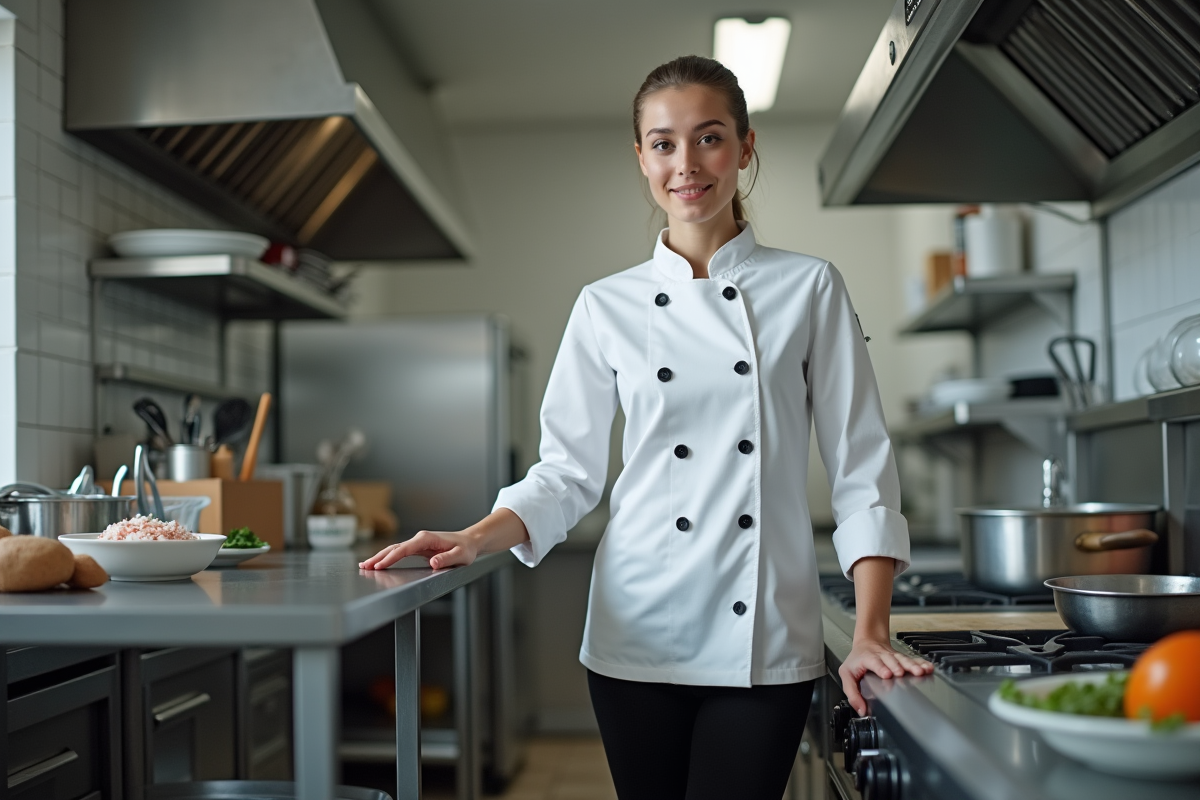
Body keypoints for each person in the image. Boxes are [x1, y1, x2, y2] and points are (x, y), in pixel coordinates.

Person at [362, 54, 932, 800]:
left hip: (761, 641)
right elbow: (567, 473)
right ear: (641, 158)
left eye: (709, 137)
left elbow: (862, 470)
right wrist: (476, 536)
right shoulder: (605, 306)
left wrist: (870, 632)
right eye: (663, 143)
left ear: (746, 147)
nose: (686, 164)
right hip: (635, 635)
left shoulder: (809, 287)